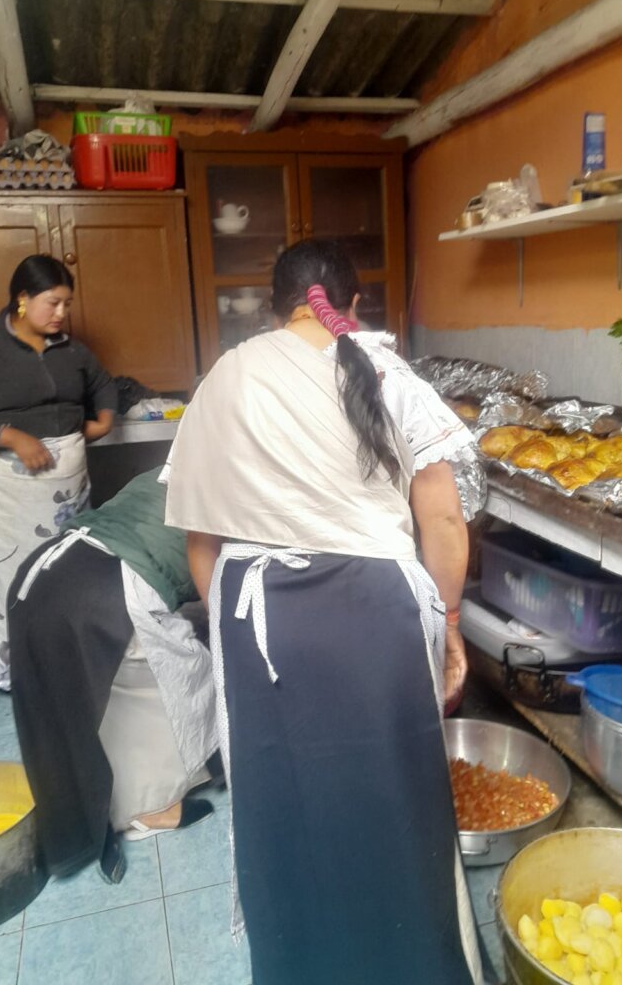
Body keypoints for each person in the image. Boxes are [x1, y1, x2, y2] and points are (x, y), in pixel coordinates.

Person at [164, 239, 485, 985]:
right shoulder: (387, 369)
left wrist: (237, 630)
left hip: (262, 619)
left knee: (284, 810)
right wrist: (449, 627)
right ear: (354, 303)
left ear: (273, 306)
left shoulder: (229, 376)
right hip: (379, 616)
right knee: (396, 798)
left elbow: (200, 542)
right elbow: (442, 523)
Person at [8, 467, 218, 884]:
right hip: (100, 594)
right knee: (191, 677)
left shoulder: (166, 468)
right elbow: (217, 591)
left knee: (96, 693)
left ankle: (116, 801)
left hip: (40, 575)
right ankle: (154, 808)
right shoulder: (230, 491)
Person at [0, 255, 117, 690]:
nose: (62, 314)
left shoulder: (70, 349)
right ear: (22, 299)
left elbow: (101, 383)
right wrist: (12, 437)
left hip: (65, 492)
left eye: (66, 304)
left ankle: (65, 666)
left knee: (64, 572)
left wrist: (106, 419)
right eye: (52, 303)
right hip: (4, 495)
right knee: (8, 577)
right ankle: (12, 676)